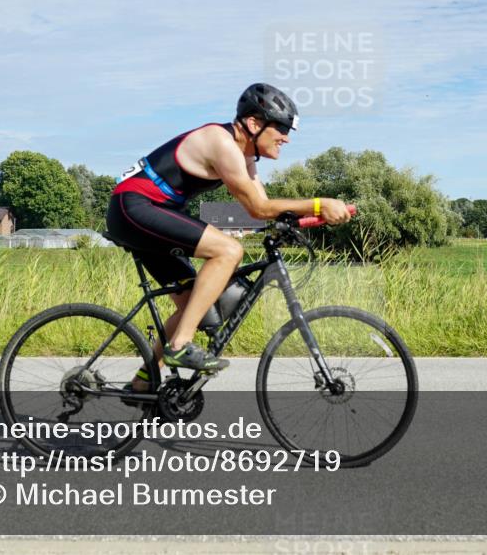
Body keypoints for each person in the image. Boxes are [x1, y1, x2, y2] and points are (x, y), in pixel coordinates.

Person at [105, 83, 352, 388]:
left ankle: (143, 382)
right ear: (254, 124)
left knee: (193, 303)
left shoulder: (245, 156)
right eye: (282, 129)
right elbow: (259, 208)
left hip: (152, 211)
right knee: (228, 251)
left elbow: (266, 206)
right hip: (133, 207)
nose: (286, 138)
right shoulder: (220, 143)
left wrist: (306, 218)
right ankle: (180, 346)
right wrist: (319, 202)